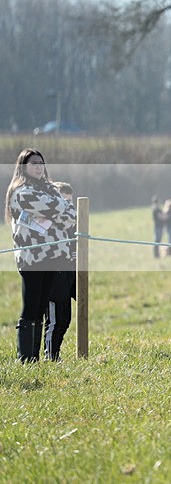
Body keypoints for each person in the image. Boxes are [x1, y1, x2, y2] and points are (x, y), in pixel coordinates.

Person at [5, 149, 76, 362]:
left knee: (43, 305)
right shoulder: (21, 192)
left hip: (54, 255)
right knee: (32, 305)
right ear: (23, 166)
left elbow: (71, 217)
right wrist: (59, 209)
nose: (38, 166)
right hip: (32, 257)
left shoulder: (49, 188)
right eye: (33, 162)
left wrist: (58, 210)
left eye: (41, 162)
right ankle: (26, 358)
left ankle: (36, 357)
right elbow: (57, 208)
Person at [44, 182, 76, 361]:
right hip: (53, 276)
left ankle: (56, 354)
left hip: (68, 275)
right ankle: (50, 356)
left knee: (66, 320)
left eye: (70, 203)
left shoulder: (73, 225)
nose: (67, 207)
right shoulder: (50, 227)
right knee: (54, 321)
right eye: (64, 202)